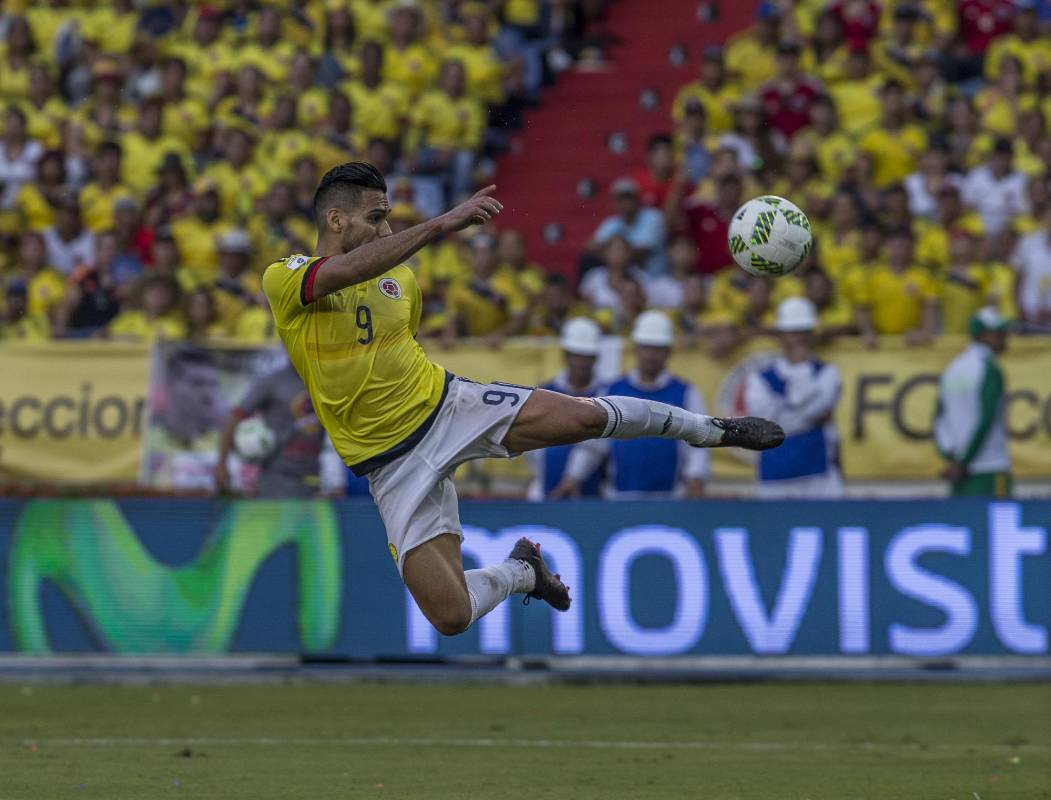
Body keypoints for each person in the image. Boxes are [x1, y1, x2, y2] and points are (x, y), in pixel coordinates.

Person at [261, 162, 782, 637]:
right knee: (450, 616)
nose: (386, 230)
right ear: (335, 219)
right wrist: (441, 224)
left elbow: (393, 340)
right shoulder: (284, 277)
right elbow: (344, 274)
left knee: (583, 418)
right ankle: (523, 572)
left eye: (389, 218)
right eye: (375, 218)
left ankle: (712, 429)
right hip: (389, 464)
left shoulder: (399, 278)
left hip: (448, 407)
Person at [553, 311, 713, 500]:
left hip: (670, 498)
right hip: (618, 498)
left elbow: (699, 439)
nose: (651, 355)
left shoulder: (686, 393)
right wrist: (573, 477)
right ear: (636, 349)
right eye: (646, 348)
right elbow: (593, 445)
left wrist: (696, 476)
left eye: (658, 349)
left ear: (669, 351)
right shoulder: (612, 390)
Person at [744, 298, 844, 499]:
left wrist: (783, 412)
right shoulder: (759, 378)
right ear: (781, 335)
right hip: (774, 475)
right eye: (792, 332)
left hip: (819, 474)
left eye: (803, 332)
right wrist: (807, 417)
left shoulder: (828, 373)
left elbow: (813, 411)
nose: (798, 339)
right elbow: (763, 424)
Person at [214, 363, 326, 498]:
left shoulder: (325, 382)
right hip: (278, 478)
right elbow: (235, 418)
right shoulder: (273, 382)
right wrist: (222, 464)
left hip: (314, 477)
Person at [934, 308, 1012, 497]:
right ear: (983, 335)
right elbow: (986, 419)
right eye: (999, 333)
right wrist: (964, 461)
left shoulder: (952, 367)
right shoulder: (990, 369)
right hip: (989, 467)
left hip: (958, 473)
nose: (1004, 337)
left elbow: (938, 421)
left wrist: (951, 458)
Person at [528, 318, 607, 501]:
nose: (581, 362)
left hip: (592, 496)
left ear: (595, 358)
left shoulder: (606, 393)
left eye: (586, 356)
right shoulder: (543, 393)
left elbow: (596, 447)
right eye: (576, 355)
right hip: (546, 493)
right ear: (565, 356)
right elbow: (531, 446)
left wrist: (573, 478)